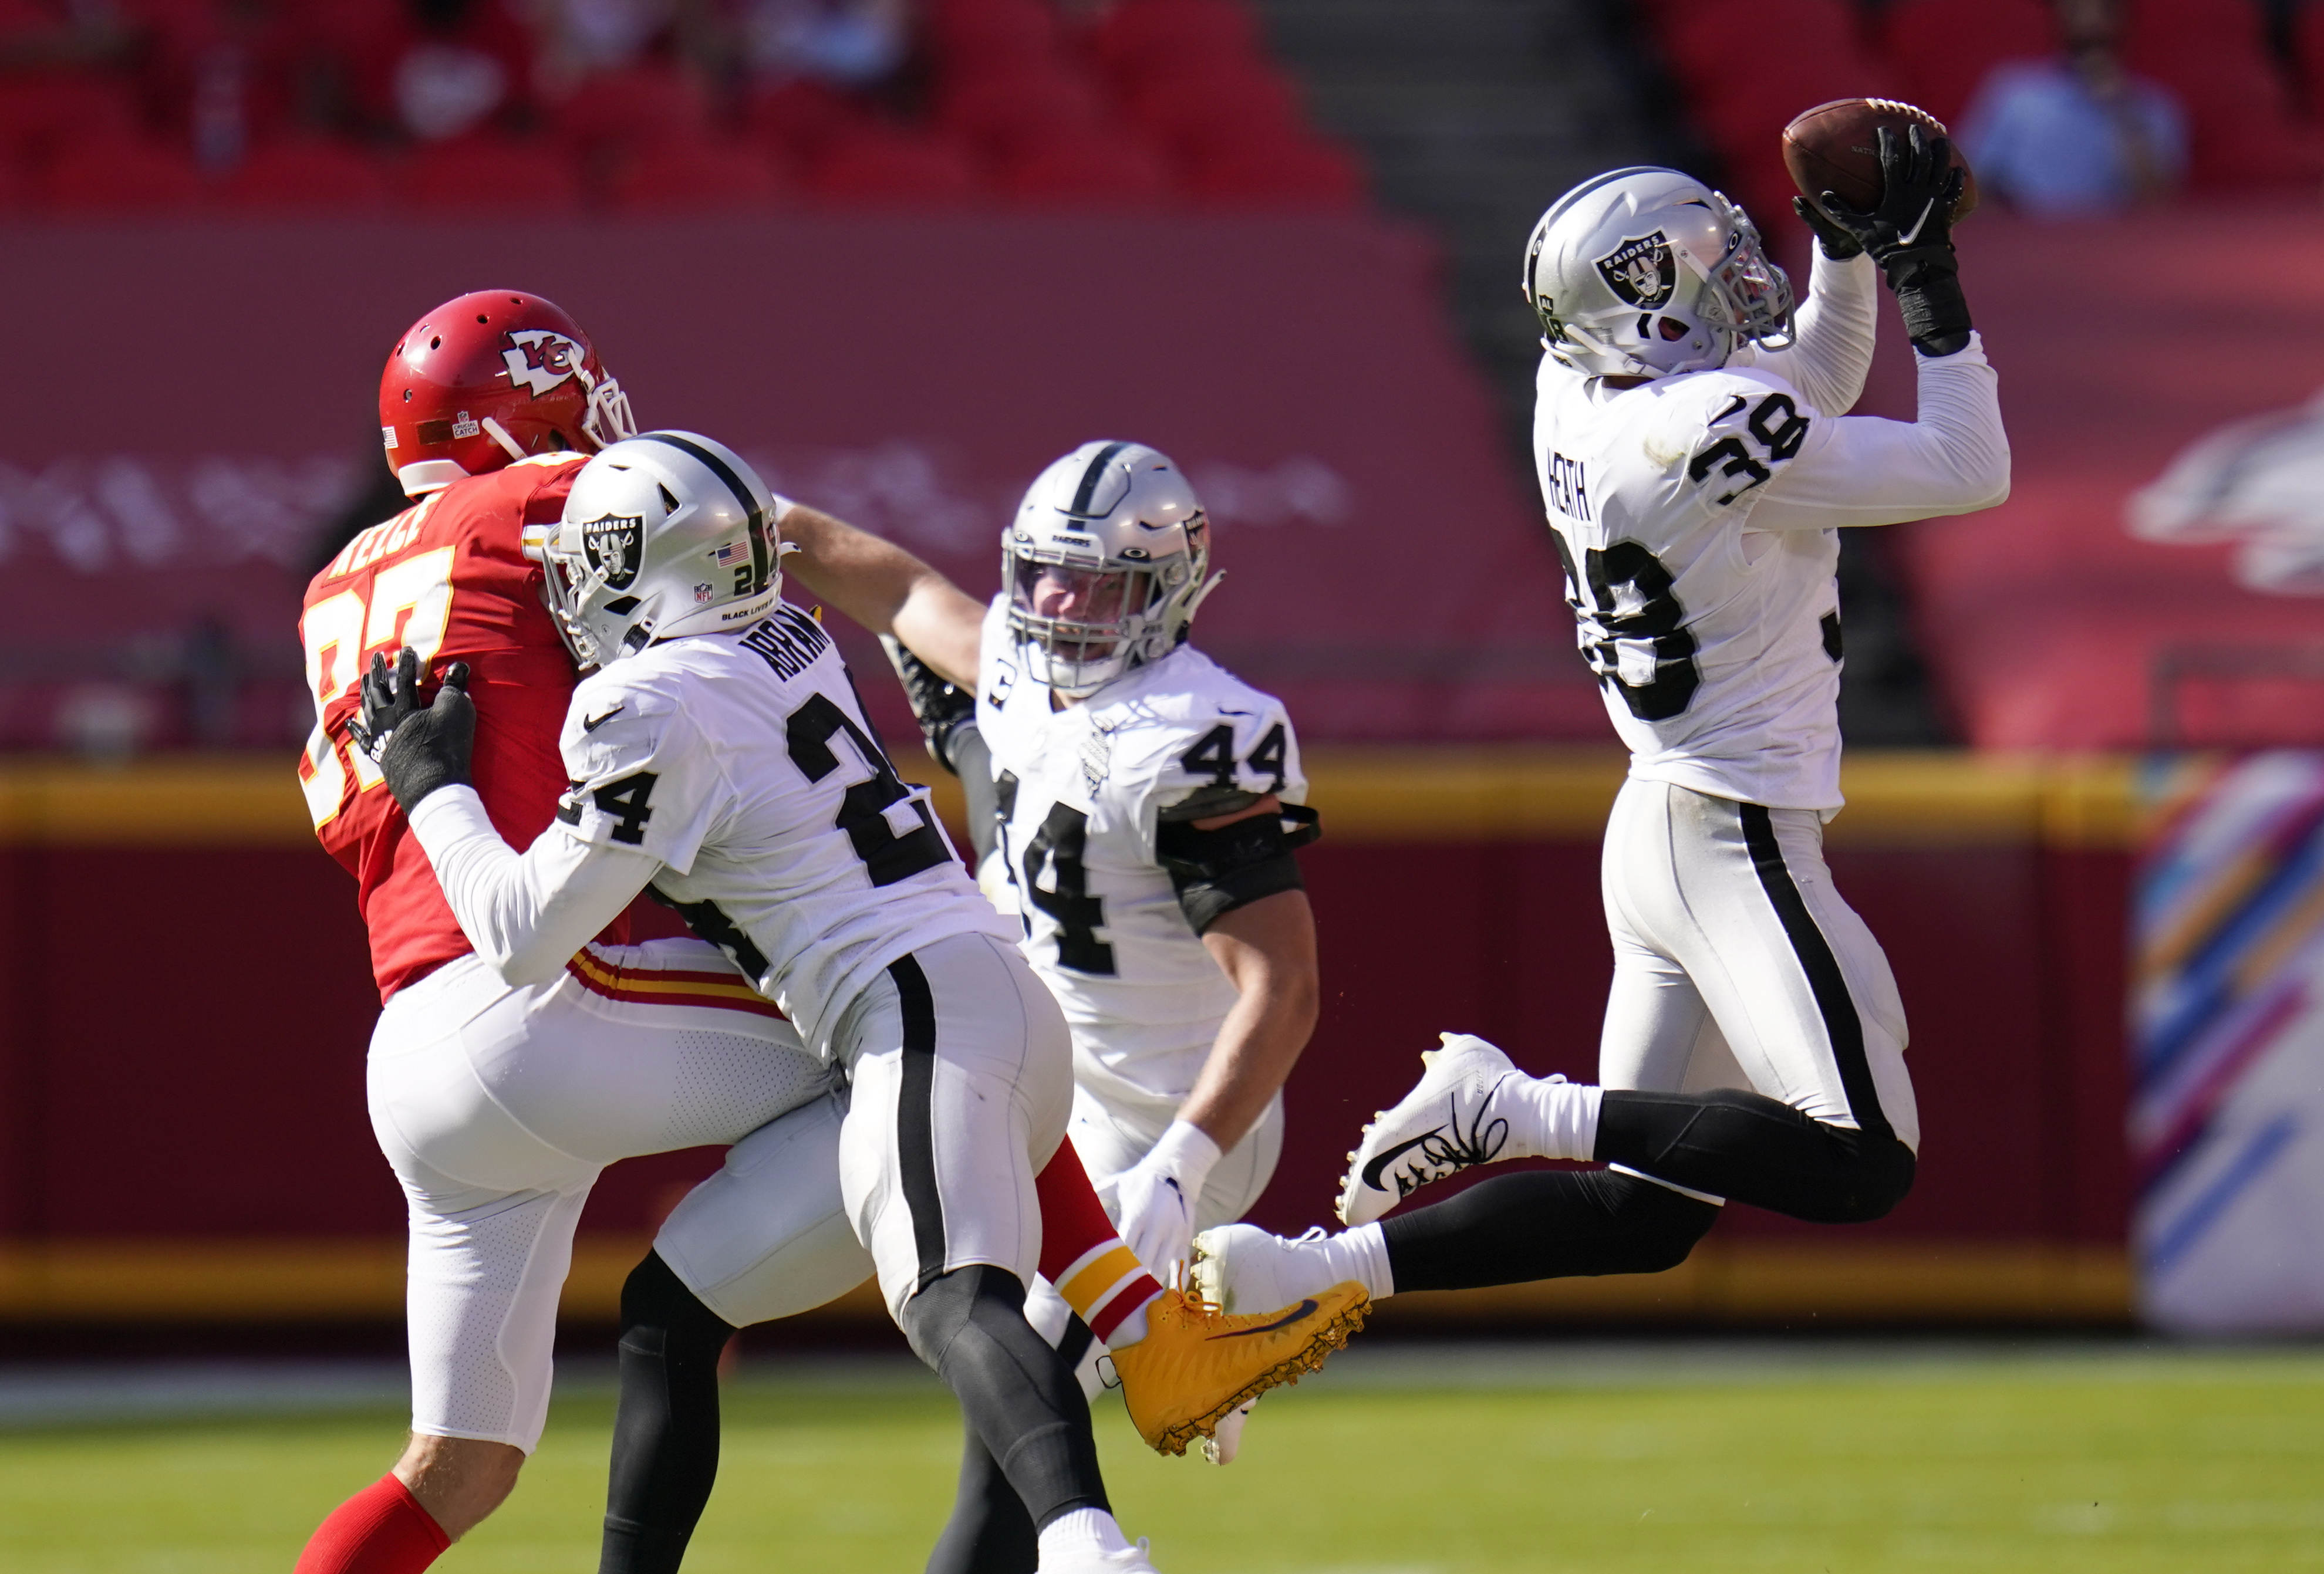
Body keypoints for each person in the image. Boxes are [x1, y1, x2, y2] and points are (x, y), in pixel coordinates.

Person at [294, 293, 1356, 1574]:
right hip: (555, 985)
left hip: (409, 1044)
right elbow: (711, 531)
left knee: (461, 1464)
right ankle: (1140, 1346)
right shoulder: (620, 555)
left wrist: (431, 781)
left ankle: (1142, 1341)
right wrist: (445, 783)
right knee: (925, 1058)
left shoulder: (335, 588)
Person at [1195, 134, 2009, 1321]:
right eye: (1712, 263)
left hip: (1666, 823)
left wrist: (1841, 246)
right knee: (1857, 1156)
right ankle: (1513, 1109)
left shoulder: (1581, 390)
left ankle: (1313, 1270)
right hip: (1732, 833)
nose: (1741, 272)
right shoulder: (1695, 439)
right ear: (1648, 312)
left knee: (1646, 1212)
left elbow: (1802, 388)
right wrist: (1925, 275)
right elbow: (1964, 463)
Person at [763, 440, 1326, 1566]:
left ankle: (1191, 1315)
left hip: (1162, 1110)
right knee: (1012, 1401)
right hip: (1037, 1082)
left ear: (1168, 590)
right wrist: (736, 506)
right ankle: (1188, 1334)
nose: (1061, 602)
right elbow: (896, 585)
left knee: (1016, 1432)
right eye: (1046, 572)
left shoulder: (1201, 728)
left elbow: (1284, 988)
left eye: (1097, 580)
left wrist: (1184, 1162)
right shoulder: (1016, 661)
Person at [1960, 0, 2185, 217]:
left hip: (2113, 242)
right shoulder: (2014, 93)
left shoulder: (2154, 106)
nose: (2090, 22)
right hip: (2026, 240)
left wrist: (2120, 109)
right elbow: (1968, 184)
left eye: (2102, 9)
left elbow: (2157, 201)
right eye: (2077, 9)